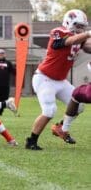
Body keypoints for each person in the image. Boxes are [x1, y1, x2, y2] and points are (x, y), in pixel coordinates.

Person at [25, 9, 91, 150]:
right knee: (49, 111)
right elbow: (69, 41)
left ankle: (60, 127)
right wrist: (88, 33)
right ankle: (31, 141)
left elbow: (87, 45)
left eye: (82, 27)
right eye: (77, 25)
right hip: (44, 78)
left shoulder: (81, 37)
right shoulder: (58, 31)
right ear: (68, 22)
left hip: (61, 81)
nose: (80, 29)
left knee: (79, 106)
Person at [51, 61, 91, 144]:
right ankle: (62, 129)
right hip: (47, 78)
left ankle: (62, 129)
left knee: (78, 94)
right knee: (78, 97)